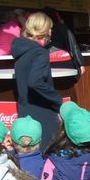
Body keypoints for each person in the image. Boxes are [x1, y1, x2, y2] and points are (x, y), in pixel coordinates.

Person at [11, 12, 63, 151]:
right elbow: (35, 81)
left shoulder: (21, 48)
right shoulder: (40, 52)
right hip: (42, 111)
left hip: (25, 109)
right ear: (49, 31)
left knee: (29, 152)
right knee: (47, 152)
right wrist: (56, 98)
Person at [42, 7, 86, 75]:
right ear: (56, 15)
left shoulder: (40, 28)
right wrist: (80, 63)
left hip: (46, 61)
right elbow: (73, 46)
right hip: (63, 60)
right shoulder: (62, 27)